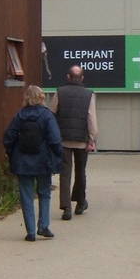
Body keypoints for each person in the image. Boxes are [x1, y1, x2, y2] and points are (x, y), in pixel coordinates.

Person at [2, 85, 63, 242]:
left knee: (26, 196)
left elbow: (8, 137)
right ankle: (43, 226)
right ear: (42, 98)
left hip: (22, 162)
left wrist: (12, 154)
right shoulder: (47, 116)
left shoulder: (20, 115)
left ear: (27, 98)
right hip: (43, 162)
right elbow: (55, 139)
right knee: (44, 193)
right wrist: (58, 155)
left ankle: (30, 232)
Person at [50, 64, 96, 219]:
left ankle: (66, 208)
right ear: (82, 78)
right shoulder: (89, 94)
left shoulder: (59, 92)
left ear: (68, 77)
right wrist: (92, 138)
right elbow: (91, 118)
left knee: (65, 174)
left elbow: (52, 114)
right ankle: (80, 203)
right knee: (80, 172)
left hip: (63, 140)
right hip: (82, 141)